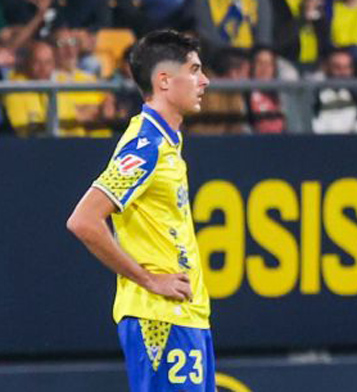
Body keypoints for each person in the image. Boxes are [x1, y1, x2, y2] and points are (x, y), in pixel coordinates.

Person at [66, 30, 214, 391]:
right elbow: (84, 220)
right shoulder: (146, 146)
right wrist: (150, 280)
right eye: (194, 70)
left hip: (186, 314)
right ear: (164, 80)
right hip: (160, 317)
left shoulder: (164, 142)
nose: (204, 80)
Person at [311, 48, 357, 134]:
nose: (343, 72)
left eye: (346, 67)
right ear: (326, 68)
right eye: (337, 67)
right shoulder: (313, 95)